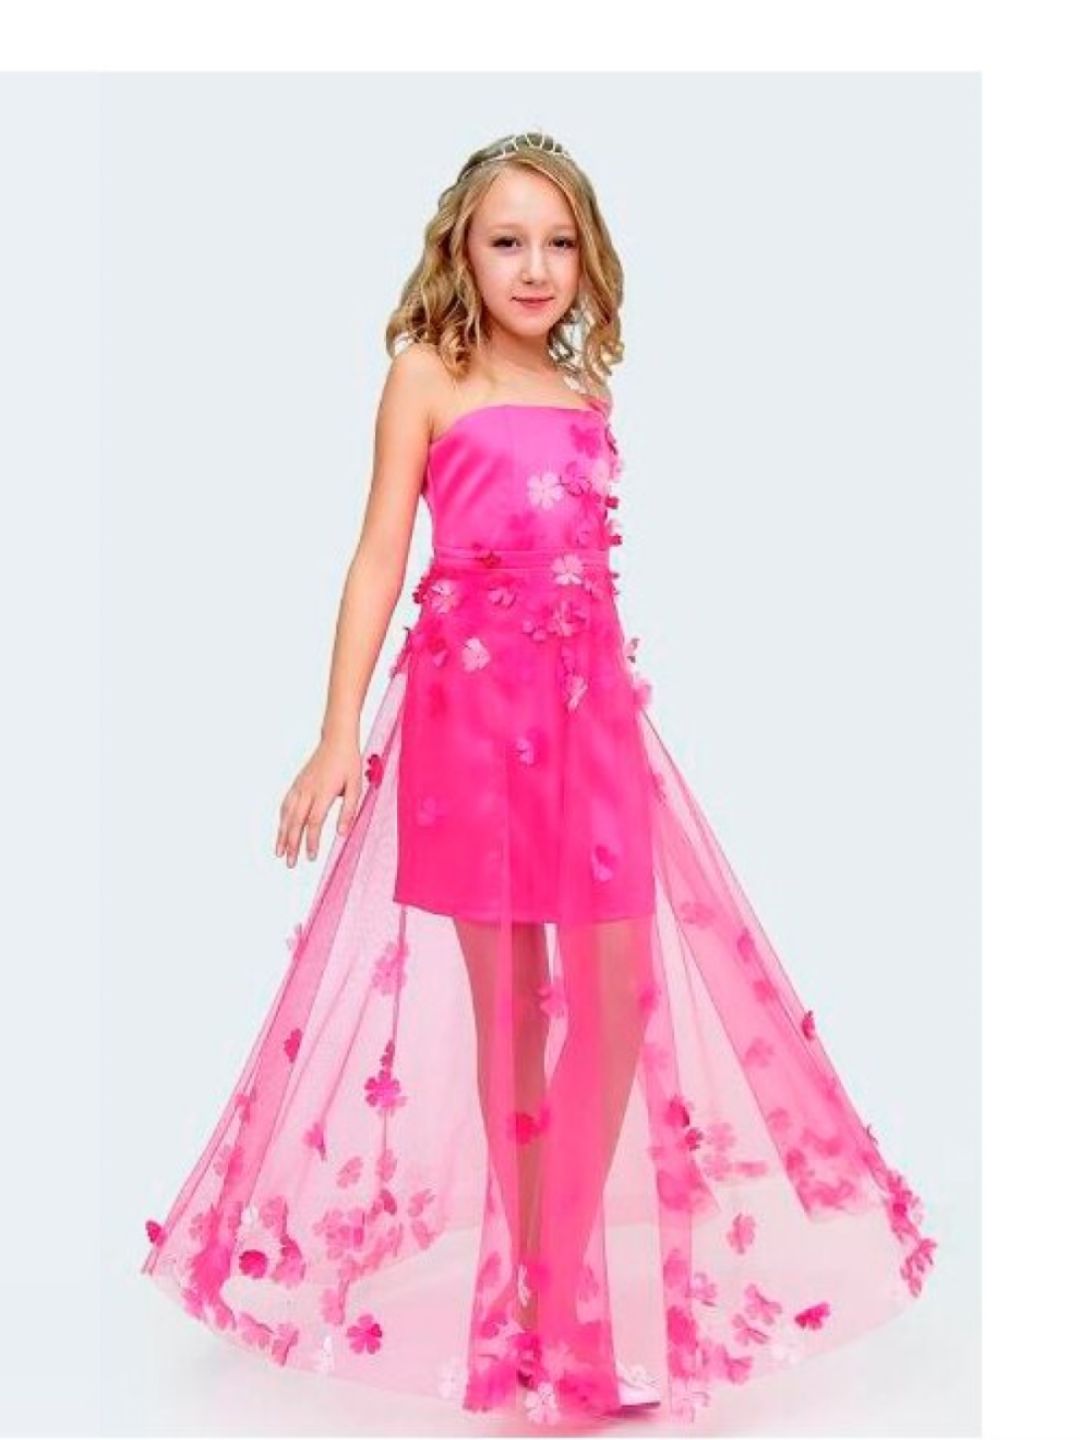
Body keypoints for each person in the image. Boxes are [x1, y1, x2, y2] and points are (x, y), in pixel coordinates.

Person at [142, 130, 937, 1426]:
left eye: (559, 242)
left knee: (614, 999)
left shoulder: (584, 393)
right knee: (513, 1011)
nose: (534, 266)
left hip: (592, 721)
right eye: (507, 240)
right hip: (468, 721)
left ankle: (548, 1278)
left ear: (589, 256)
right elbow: (377, 553)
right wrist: (337, 731)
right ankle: (545, 1308)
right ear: (461, 248)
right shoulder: (426, 373)